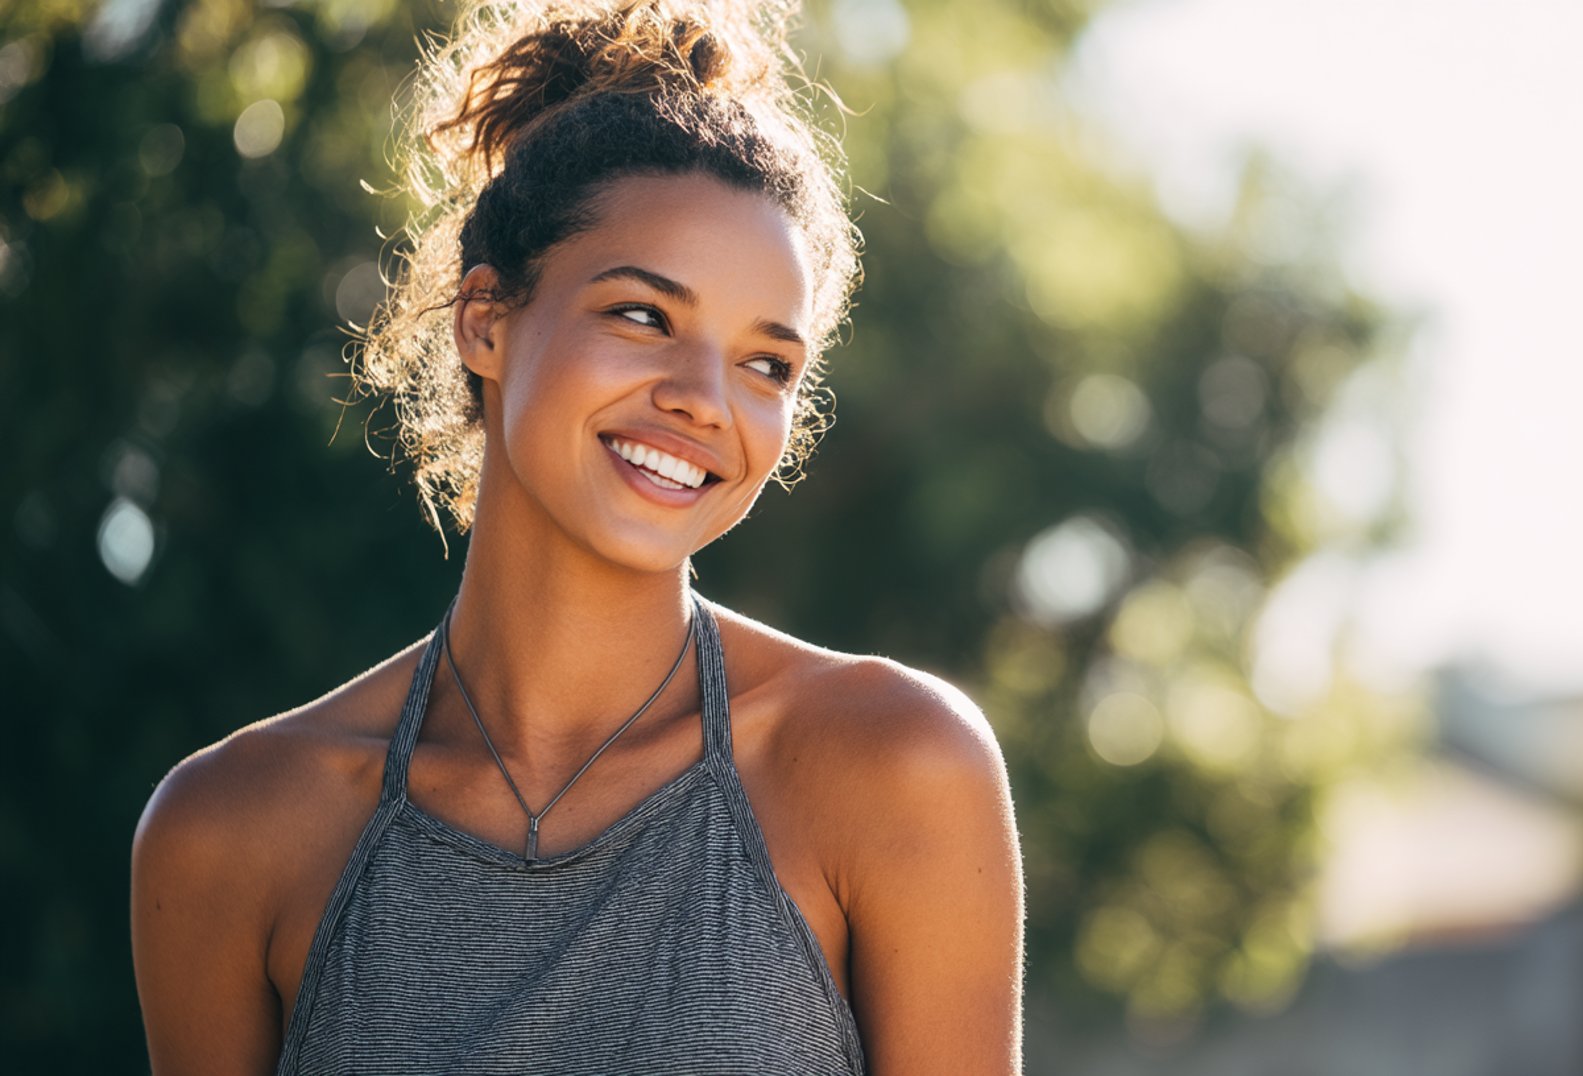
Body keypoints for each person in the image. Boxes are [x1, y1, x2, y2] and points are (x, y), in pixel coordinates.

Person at [127, 1, 1026, 1072]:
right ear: (486, 320)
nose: (704, 399)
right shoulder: (230, 831)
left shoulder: (895, 766)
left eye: (766, 363)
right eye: (643, 315)